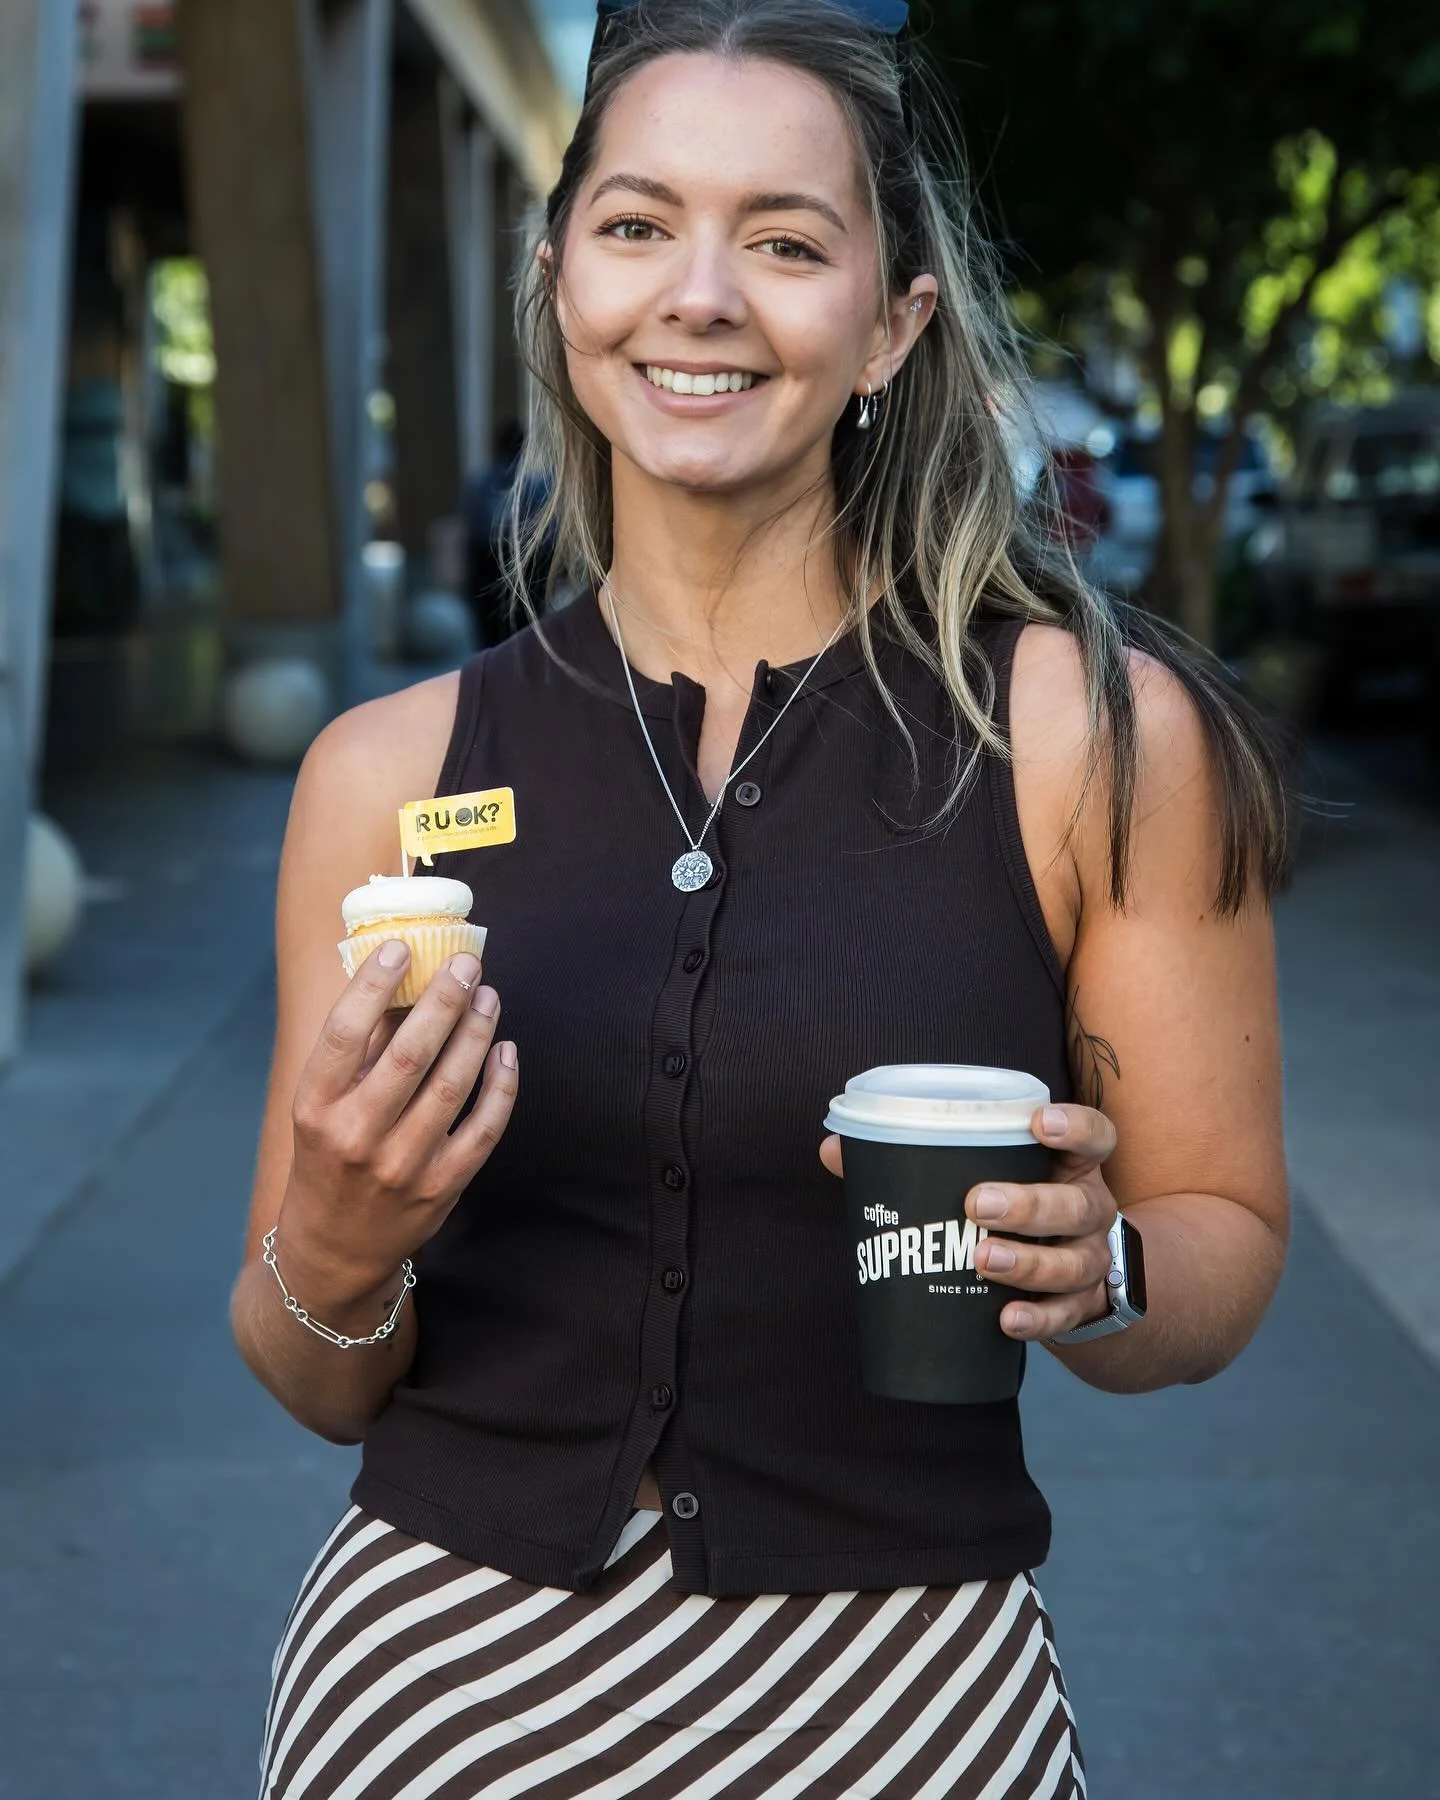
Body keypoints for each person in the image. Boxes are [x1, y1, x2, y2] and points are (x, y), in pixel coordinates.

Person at [236, 3, 1291, 1795]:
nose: (701, 295)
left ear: (894, 318)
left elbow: (1224, 1235)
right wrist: (337, 1236)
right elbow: (316, 1364)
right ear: (559, 273)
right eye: (638, 223)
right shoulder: (382, 775)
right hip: (434, 1693)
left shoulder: (1084, 741)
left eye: (787, 242)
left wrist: (1102, 1264)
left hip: (903, 1702)